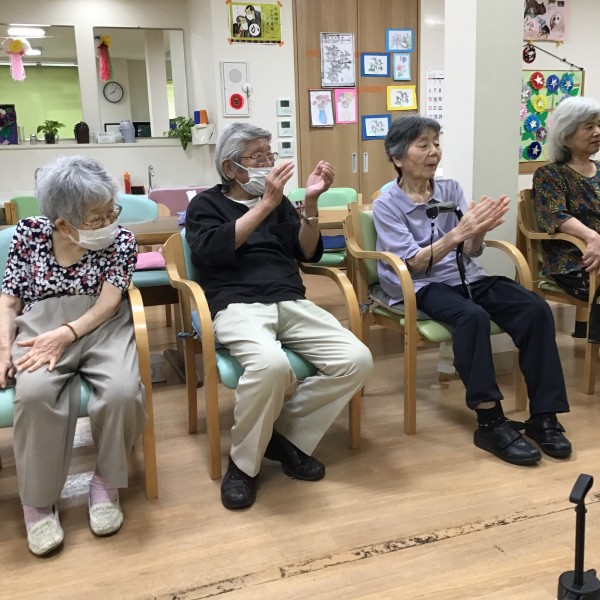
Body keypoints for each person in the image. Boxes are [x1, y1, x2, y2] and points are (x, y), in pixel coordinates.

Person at [185, 122, 372, 510]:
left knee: (356, 359)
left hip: (289, 300)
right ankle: (243, 465)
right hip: (235, 303)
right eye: (258, 156)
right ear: (230, 167)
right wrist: (265, 205)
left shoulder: (281, 203)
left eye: (269, 154)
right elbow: (212, 252)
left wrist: (312, 205)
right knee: (270, 366)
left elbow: (306, 252)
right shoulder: (205, 205)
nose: (268, 163)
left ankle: (283, 436)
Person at [373, 115, 571, 466]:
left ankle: (544, 416)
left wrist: (478, 231)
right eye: (423, 145)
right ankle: (490, 421)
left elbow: (470, 251)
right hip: (421, 284)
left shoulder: (450, 189)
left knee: (534, 308)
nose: (434, 151)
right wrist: (458, 234)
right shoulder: (386, 203)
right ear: (398, 157)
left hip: (465, 276)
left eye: (436, 143)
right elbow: (414, 264)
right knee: (471, 317)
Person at [0, 156, 146, 556]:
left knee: (122, 392)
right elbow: (9, 300)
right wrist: (3, 347)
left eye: (111, 211)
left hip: (102, 324)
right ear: (63, 224)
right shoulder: (28, 235)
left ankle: (105, 483)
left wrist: (68, 334)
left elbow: (110, 302)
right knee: (34, 394)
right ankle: (38, 500)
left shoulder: (122, 240)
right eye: (97, 218)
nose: (109, 221)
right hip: (41, 326)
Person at [532, 96, 600, 343]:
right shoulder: (550, 174)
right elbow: (555, 215)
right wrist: (593, 237)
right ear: (567, 134)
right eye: (589, 126)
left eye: (599, 125)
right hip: (574, 260)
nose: (597, 132)